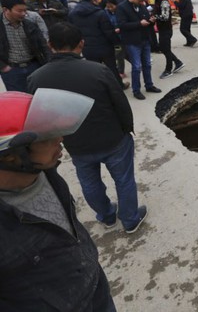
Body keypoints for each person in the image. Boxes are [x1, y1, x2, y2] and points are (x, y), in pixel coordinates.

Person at [0, 88, 116, 311]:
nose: (60, 139)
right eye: (47, 137)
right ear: (11, 155)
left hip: (95, 287)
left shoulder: (44, 172)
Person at [28, 22, 148, 235]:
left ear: (49, 45)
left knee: (89, 182)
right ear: (81, 44)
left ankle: (107, 216)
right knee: (124, 180)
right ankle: (130, 220)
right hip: (112, 138)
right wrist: (127, 129)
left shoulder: (36, 78)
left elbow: (41, 116)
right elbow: (120, 103)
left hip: (75, 142)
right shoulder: (99, 70)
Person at [68, 0, 129, 91]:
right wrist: (117, 42)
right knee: (112, 68)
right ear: (93, 0)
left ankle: (99, 89)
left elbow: (72, 30)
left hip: (87, 47)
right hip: (104, 46)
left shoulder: (73, 14)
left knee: (94, 70)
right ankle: (118, 86)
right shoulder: (100, 13)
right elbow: (108, 31)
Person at [116, 0, 162, 100]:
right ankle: (136, 90)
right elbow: (122, 25)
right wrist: (139, 24)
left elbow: (145, 19)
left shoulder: (141, 6)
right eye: (140, 0)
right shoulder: (122, 8)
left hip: (145, 39)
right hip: (132, 41)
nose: (141, 2)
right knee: (136, 67)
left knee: (147, 64)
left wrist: (150, 22)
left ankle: (149, 85)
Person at [0, 0, 51, 92]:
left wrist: (48, 63)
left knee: (38, 96)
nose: (23, 14)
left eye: (25, 10)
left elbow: (43, 45)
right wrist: (3, 66)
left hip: (34, 66)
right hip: (11, 71)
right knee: (19, 100)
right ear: (6, 10)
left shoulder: (29, 25)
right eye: (19, 11)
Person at [144, 0, 184, 80]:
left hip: (166, 29)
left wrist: (154, 18)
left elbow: (165, 17)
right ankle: (178, 62)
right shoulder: (158, 0)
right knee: (164, 48)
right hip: (162, 29)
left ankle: (168, 70)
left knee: (165, 49)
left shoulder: (163, 1)